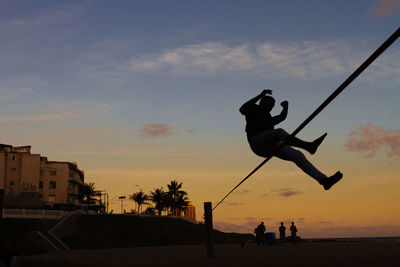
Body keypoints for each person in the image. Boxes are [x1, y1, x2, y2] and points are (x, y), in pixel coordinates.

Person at [239, 89, 343, 190]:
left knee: (297, 155)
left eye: (272, 105)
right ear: (262, 102)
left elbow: (282, 117)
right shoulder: (253, 109)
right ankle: (308, 146)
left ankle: (324, 181)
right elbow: (242, 109)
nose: (270, 107)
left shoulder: (269, 119)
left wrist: (285, 106)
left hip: (268, 147)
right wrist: (261, 94)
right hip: (256, 142)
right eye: (268, 103)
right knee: (279, 132)